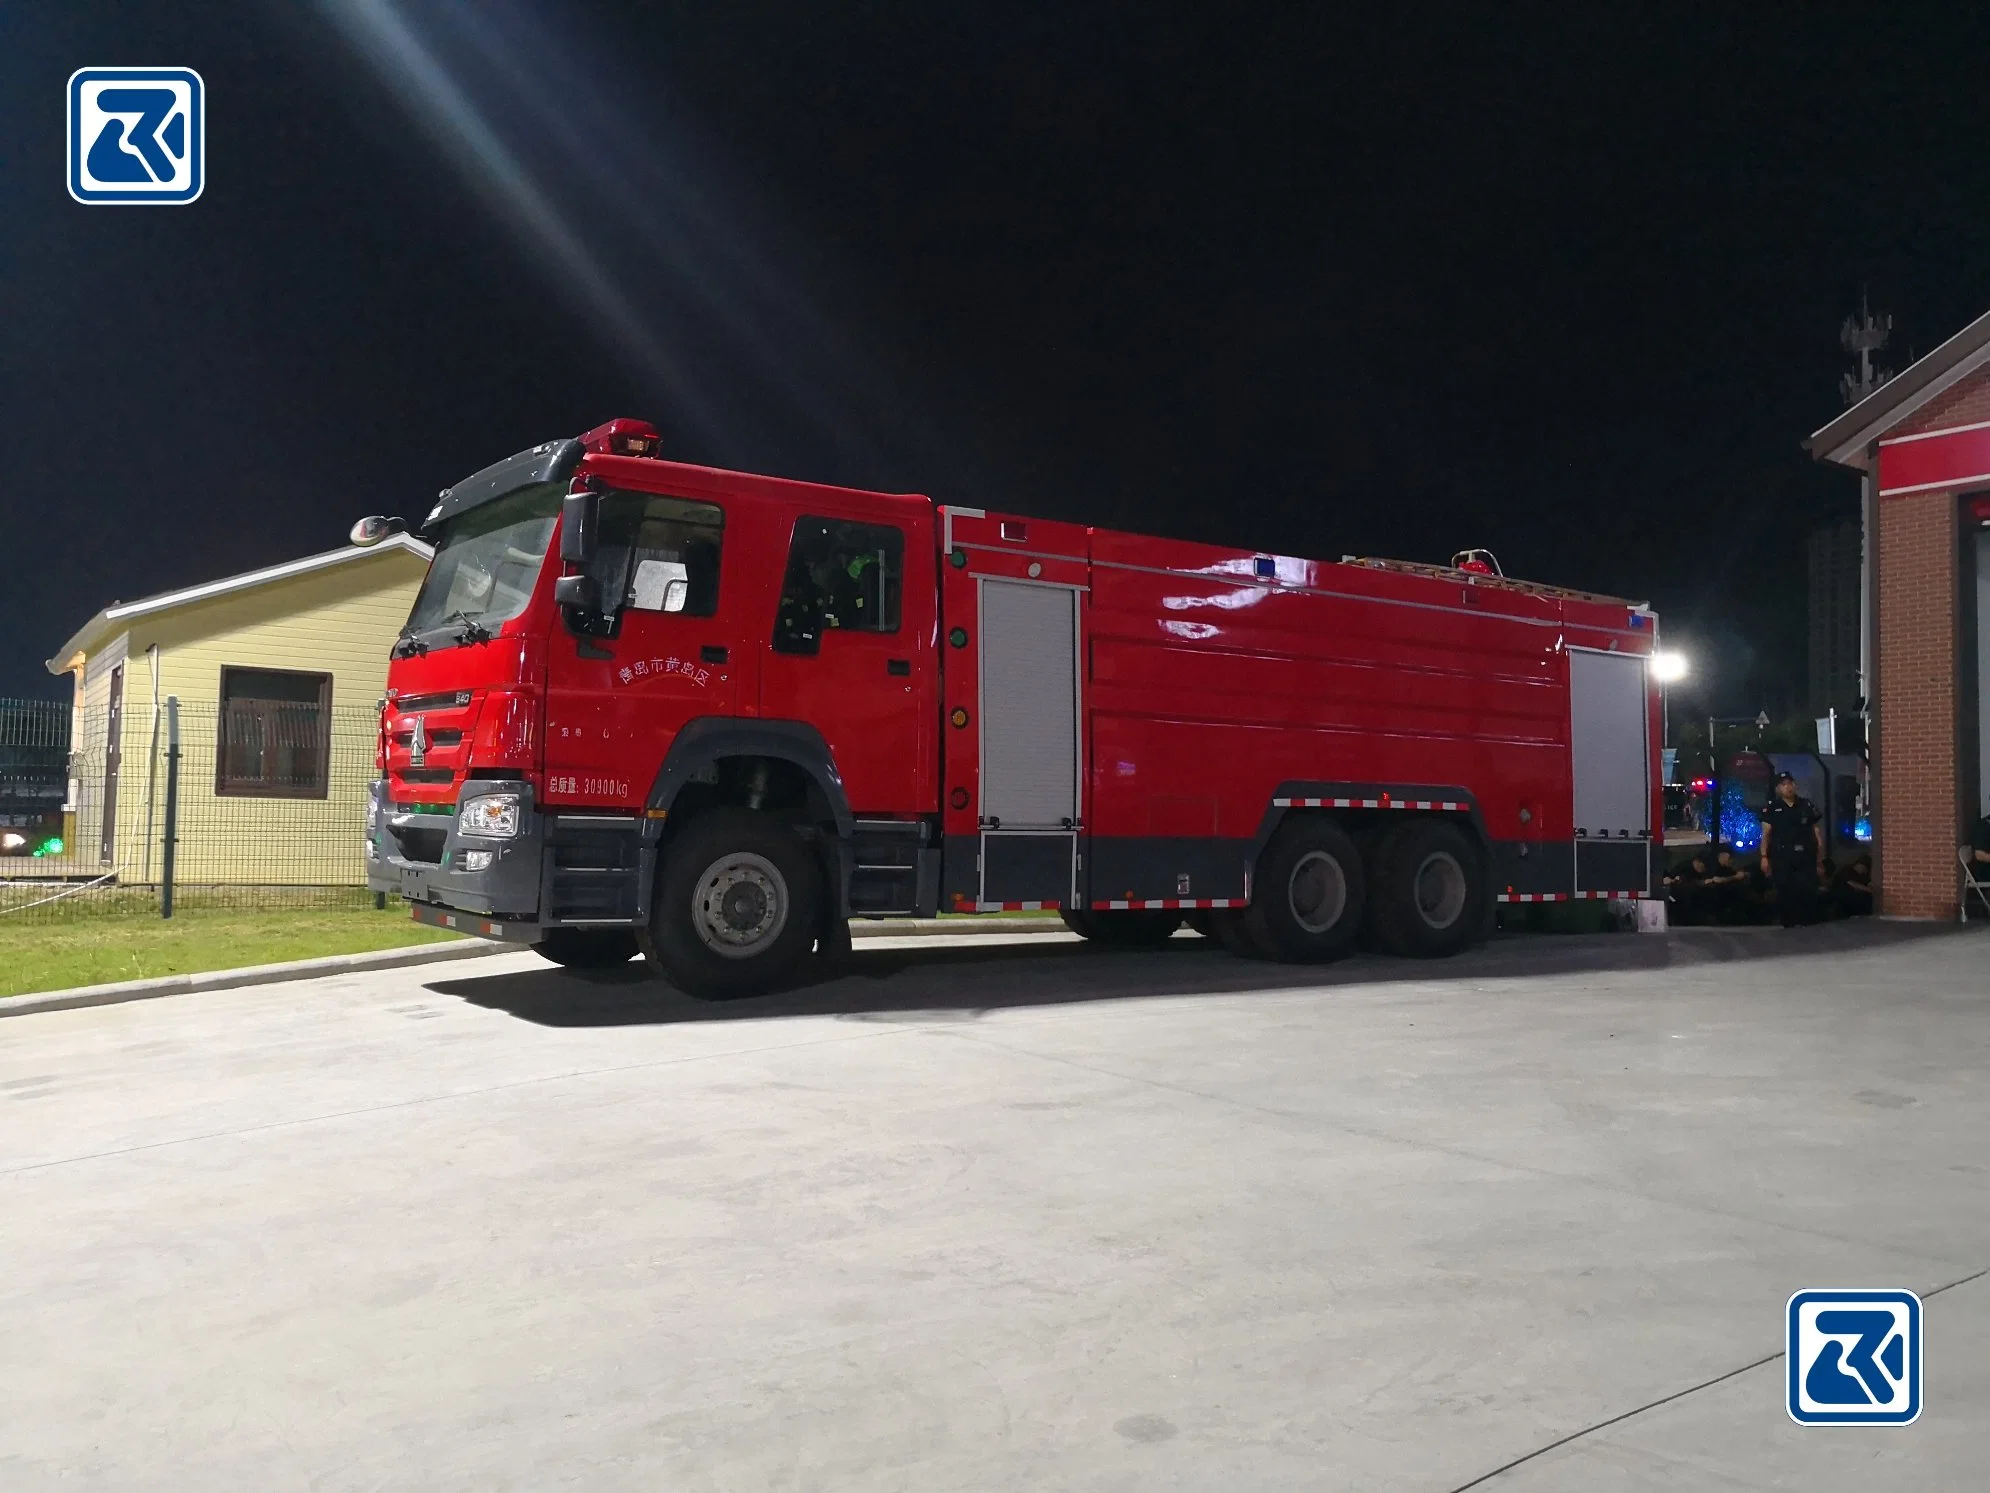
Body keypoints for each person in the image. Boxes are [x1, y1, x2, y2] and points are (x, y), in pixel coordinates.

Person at [1760, 772, 1826, 927]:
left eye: (1790, 783)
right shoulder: (1772, 808)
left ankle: (1807, 920)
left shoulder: (1806, 805)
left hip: (1805, 854)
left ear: (1795, 785)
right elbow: (1766, 834)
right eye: (1783, 784)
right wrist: (1764, 856)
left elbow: (1816, 831)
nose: (1788, 787)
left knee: (1806, 887)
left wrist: (1819, 855)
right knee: (1785, 888)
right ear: (1778, 788)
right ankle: (1788, 922)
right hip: (1782, 855)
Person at [1829, 853, 1873, 919]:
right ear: (1860, 865)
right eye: (1864, 868)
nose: (1864, 871)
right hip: (1840, 897)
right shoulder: (1847, 870)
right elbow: (1852, 883)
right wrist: (1869, 890)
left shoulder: (1861, 875)